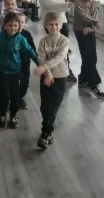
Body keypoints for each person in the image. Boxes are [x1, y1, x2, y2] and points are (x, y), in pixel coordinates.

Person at [0, 12, 39, 130]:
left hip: (16, 71)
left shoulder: (20, 38)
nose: (13, 28)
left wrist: (39, 63)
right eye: (10, 25)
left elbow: (30, 50)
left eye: (15, 25)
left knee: (15, 95)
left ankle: (13, 115)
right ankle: (2, 114)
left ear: (19, 26)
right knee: (4, 94)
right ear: (4, 25)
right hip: (3, 71)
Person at [34, 11, 70, 150]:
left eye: (56, 24)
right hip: (46, 77)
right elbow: (41, 58)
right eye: (50, 24)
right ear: (45, 25)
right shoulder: (43, 41)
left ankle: (46, 132)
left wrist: (44, 67)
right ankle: (48, 131)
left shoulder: (64, 40)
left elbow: (60, 57)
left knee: (53, 105)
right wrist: (48, 72)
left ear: (61, 25)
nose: (53, 27)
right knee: (44, 106)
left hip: (60, 77)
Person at [38, 0, 77, 82]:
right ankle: (51, 69)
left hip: (62, 22)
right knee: (53, 47)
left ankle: (66, 68)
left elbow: (62, 9)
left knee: (64, 47)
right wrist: (65, 5)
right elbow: (49, 5)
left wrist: (68, 6)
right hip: (50, 23)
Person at [73, 0, 104, 99]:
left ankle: (83, 78)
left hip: (90, 30)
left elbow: (95, 14)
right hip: (80, 31)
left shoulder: (93, 2)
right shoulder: (78, 3)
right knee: (88, 55)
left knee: (92, 56)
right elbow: (85, 16)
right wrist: (93, 24)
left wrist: (91, 26)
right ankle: (93, 83)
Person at [16, 13, 37, 110]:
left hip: (26, 63)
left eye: (22, 22)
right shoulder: (10, 35)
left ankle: (20, 96)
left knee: (25, 84)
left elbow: (32, 48)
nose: (20, 24)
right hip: (14, 65)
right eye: (18, 22)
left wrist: (36, 59)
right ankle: (15, 98)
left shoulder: (27, 34)